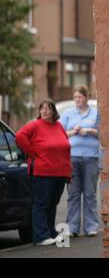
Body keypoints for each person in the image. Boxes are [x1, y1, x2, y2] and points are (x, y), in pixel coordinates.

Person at [16, 99, 71, 246]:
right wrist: (32, 153)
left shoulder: (59, 126)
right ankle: (40, 236)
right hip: (43, 172)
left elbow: (66, 148)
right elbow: (19, 136)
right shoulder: (35, 125)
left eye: (48, 108)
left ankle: (50, 233)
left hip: (59, 172)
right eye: (42, 108)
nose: (45, 111)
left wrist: (68, 171)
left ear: (54, 111)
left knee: (52, 204)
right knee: (42, 204)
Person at [60, 86, 100, 237]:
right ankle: (72, 228)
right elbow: (59, 134)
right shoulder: (68, 114)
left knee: (90, 193)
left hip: (91, 158)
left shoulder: (95, 113)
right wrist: (73, 132)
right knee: (74, 194)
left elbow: (103, 133)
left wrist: (89, 131)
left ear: (86, 97)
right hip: (72, 158)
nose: (77, 100)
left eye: (80, 97)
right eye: (75, 97)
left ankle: (91, 227)